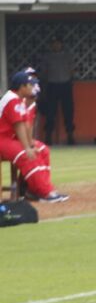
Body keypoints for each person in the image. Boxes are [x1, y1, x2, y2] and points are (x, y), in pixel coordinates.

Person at [0, 68, 69, 203]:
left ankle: (32, 191)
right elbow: (18, 125)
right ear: (22, 87)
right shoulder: (12, 99)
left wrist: (31, 144)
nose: (32, 87)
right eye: (29, 85)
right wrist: (27, 147)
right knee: (26, 155)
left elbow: (26, 126)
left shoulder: (20, 99)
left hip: (8, 139)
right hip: (2, 139)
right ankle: (45, 192)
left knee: (43, 150)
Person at [36, 35, 75, 145]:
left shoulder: (67, 55)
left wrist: (71, 81)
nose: (56, 45)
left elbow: (71, 69)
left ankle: (70, 135)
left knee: (68, 111)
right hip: (52, 85)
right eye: (53, 43)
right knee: (50, 111)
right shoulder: (47, 57)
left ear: (62, 44)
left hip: (65, 85)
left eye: (58, 43)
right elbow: (44, 72)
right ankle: (48, 136)